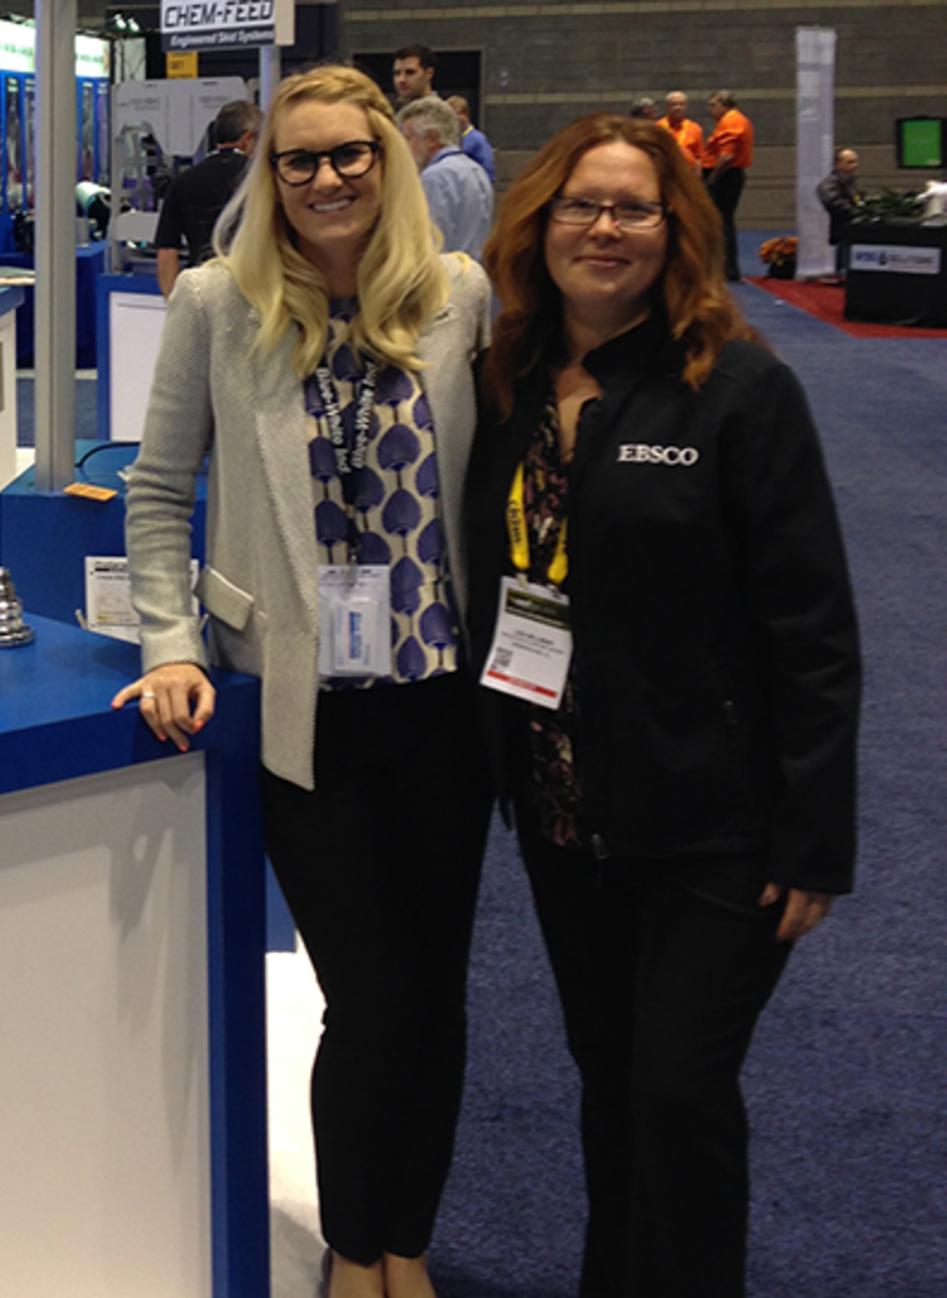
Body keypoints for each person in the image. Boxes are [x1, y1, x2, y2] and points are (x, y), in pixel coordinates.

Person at [114, 65, 492, 1298]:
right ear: (267, 177)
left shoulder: (456, 297)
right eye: (300, 159)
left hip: (443, 702)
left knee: (437, 997)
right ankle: (349, 1245)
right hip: (300, 708)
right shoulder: (223, 304)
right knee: (371, 994)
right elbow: (159, 492)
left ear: (387, 164)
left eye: (349, 156)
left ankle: (405, 1244)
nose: (326, 178)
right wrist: (168, 640)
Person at [468, 114, 860, 1298]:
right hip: (565, 806)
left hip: (715, 815)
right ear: (539, 226)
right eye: (581, 206)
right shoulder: (510, 380)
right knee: (611, 1073)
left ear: (675, 228)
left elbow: (815, 626)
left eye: (634, 208)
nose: (605, 229)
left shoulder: (735, 384)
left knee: (679, 1086)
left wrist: (815, 835)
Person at [155, 99, 262, 296]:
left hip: (202, 294)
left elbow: (166, 255)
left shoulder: (182, 182)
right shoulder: (260, 181)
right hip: (252, 293)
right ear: (248, 139)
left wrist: (174, 303)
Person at [400, 96, 494, 257]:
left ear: (431, 139)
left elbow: (430, 245)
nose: (403, 147)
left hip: (447, 276)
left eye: (408, 138)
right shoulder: (476, 170)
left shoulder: (434, 177)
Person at [702, 90, 754, 279]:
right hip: (728, 176)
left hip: (725, 177)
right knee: (723, 221)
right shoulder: (736, 120)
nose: (710, 110)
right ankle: (726, 267)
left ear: (723, 105)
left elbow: (726, 155)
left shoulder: (731, 121)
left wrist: (713, 178)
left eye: (712, 105)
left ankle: (727, 268)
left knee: (721, 222)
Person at [816, 146, 862, 251]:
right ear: (837, 163)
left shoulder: (851, 183)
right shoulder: (829, 185)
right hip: (842, 235)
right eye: (850, 162)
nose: (855, 165)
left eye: (855, 161)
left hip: (854, 234)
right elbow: (834, 204)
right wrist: (859, 213)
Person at [447, 95, 496, 183]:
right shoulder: (449, 138)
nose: (452, 120)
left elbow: (488, 172)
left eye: (456, 114)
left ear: (466, 115)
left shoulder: (478, 140)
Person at [660, 92, 704, 168]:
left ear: (686, 107)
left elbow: (698, 157)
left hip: (688, 173)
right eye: (674, 104)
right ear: (667, 107)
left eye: (681, 104)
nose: (678, 108)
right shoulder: (658, 127)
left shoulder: (695, 128)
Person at [392, 44, 439, 108]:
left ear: (429, 73)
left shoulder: (441, 112)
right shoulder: (392, 110)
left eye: (410, 72)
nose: (401, 79)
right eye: (397, 73)